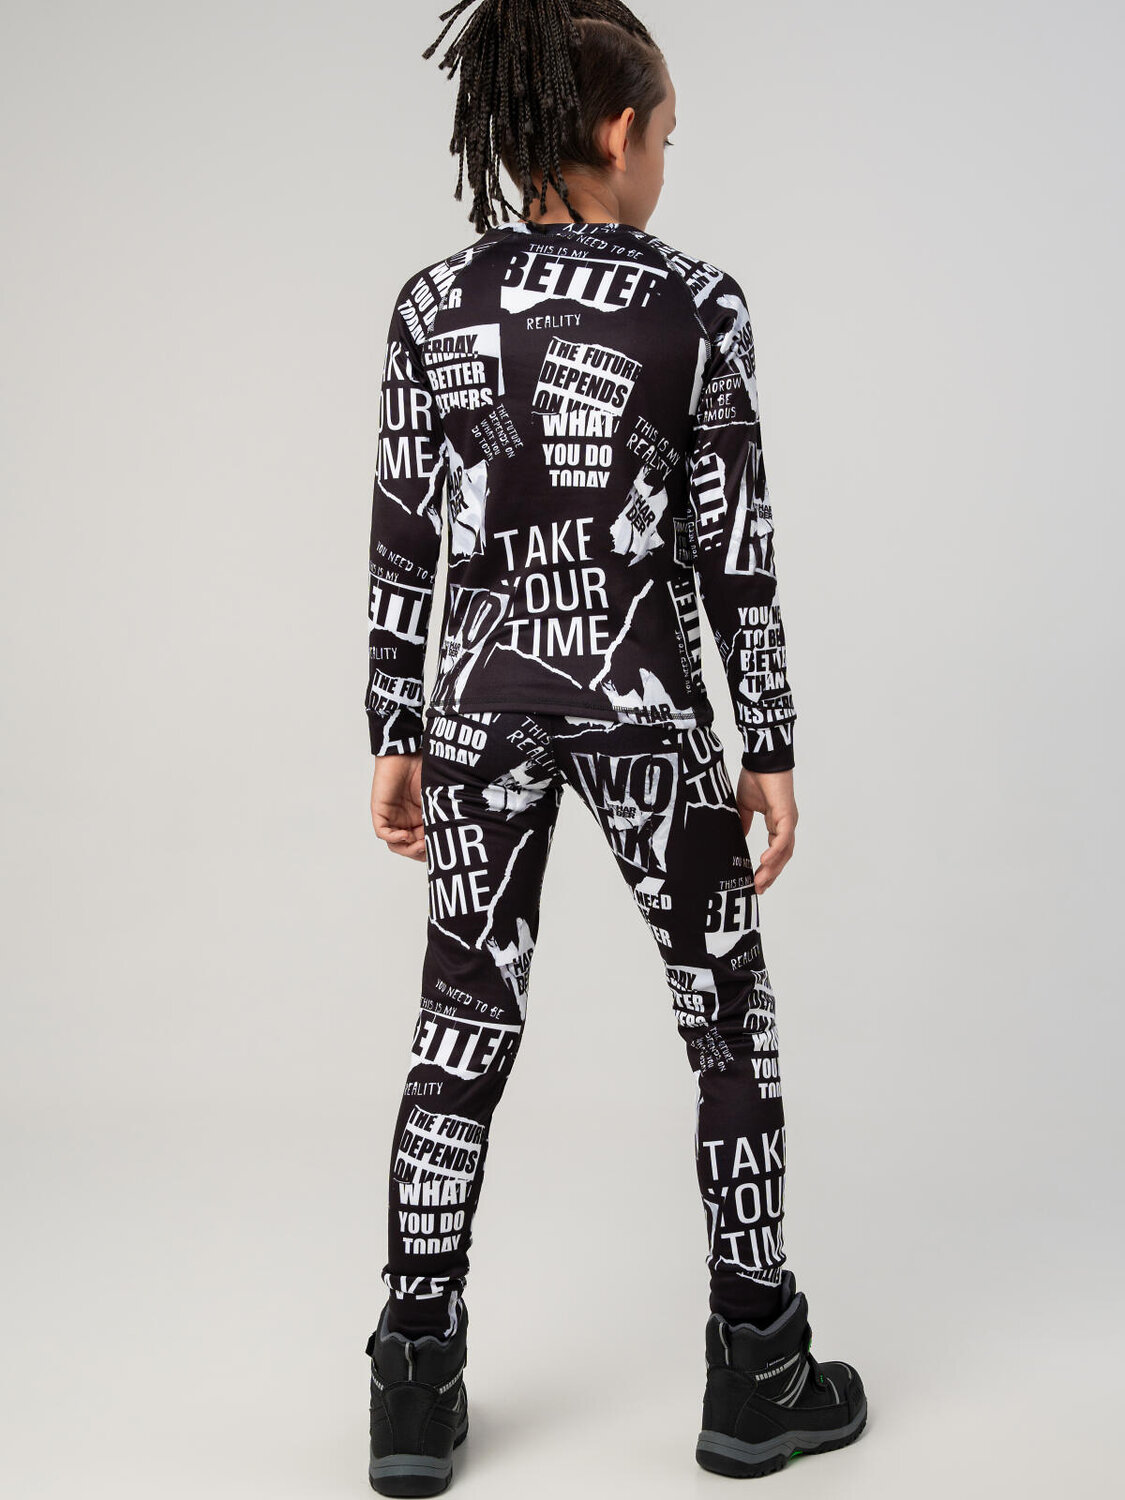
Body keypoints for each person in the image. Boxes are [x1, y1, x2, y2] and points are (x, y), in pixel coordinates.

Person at [361, 2, 868, 1491]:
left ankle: (410, 1384)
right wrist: (767, 741)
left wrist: (396, 729)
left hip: (478, 709)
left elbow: (403, 537)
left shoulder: (431, 305)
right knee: (727, 1021)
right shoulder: (697, 305)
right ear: (620, 131)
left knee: (461, 1024)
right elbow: (734, 553)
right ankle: (757, 1366)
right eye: (667, 140)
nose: (663, 169)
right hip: (648, 708)